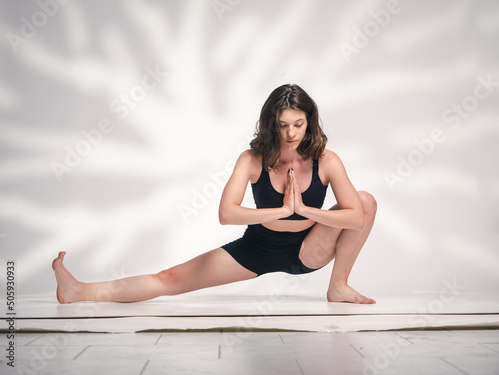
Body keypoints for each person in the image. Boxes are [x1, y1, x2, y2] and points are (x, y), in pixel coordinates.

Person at [52, 84, 377, 304]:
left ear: (309, 122)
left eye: (298, 124)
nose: (291, 133)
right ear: (270, 124)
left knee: (365, 200)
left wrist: (305, 210)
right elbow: (227, 214)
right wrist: (280, 211)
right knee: (169, 278)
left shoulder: (327, 160)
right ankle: (77, 290)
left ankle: (338, 286)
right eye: (282, 125)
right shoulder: (252, 159)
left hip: (308, 249)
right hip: (258, 246)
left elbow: (356, 216)